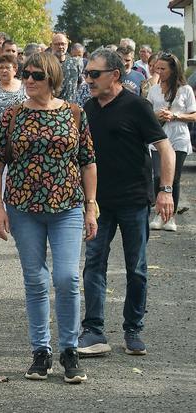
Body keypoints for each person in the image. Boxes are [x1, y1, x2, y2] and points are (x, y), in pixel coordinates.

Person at [0, 52, 97, 383]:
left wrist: (91, 206)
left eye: (36, 75)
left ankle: (70, 350)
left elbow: (87, 161)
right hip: (23, 208)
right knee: (35, 280)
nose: (29, 80)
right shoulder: (13, 115)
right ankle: (41, 352)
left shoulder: (74, 113)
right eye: (26, 74)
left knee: (67, 278)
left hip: (67, 207)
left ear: (52, 78)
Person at [77, 47, 175, 357]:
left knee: (137, 269)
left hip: (134, 201)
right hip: (99, 204)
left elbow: (165, 149)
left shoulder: (137, 107)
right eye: (87, 74)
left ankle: (133, 329)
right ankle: (92, 329)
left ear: (115, 75)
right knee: (93, 265)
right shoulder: (87, 109)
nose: (88, 79)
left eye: (95, 74)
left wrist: (166, 190)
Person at [147, 53, 195, 231]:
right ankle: (159, 213)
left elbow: (194, 115)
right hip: (158, 137)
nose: (158, 71)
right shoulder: (153, 89)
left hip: (179, 137)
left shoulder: (185, 90)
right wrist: (156, 115)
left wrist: (175, 115)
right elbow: (145, 114)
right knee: (159, 176)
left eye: (162, 68)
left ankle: (170, 217)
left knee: (174, 178)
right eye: (156, 68)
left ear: (173, 69)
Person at [51, 32, 82, 102]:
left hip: (71, 107)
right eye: (57, 44)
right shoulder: (47, 64)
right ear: (51, 46)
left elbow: (79, 82)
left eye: (63, 44)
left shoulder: (75, 63)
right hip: (53, 107)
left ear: (67, 45)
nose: (60, 47)